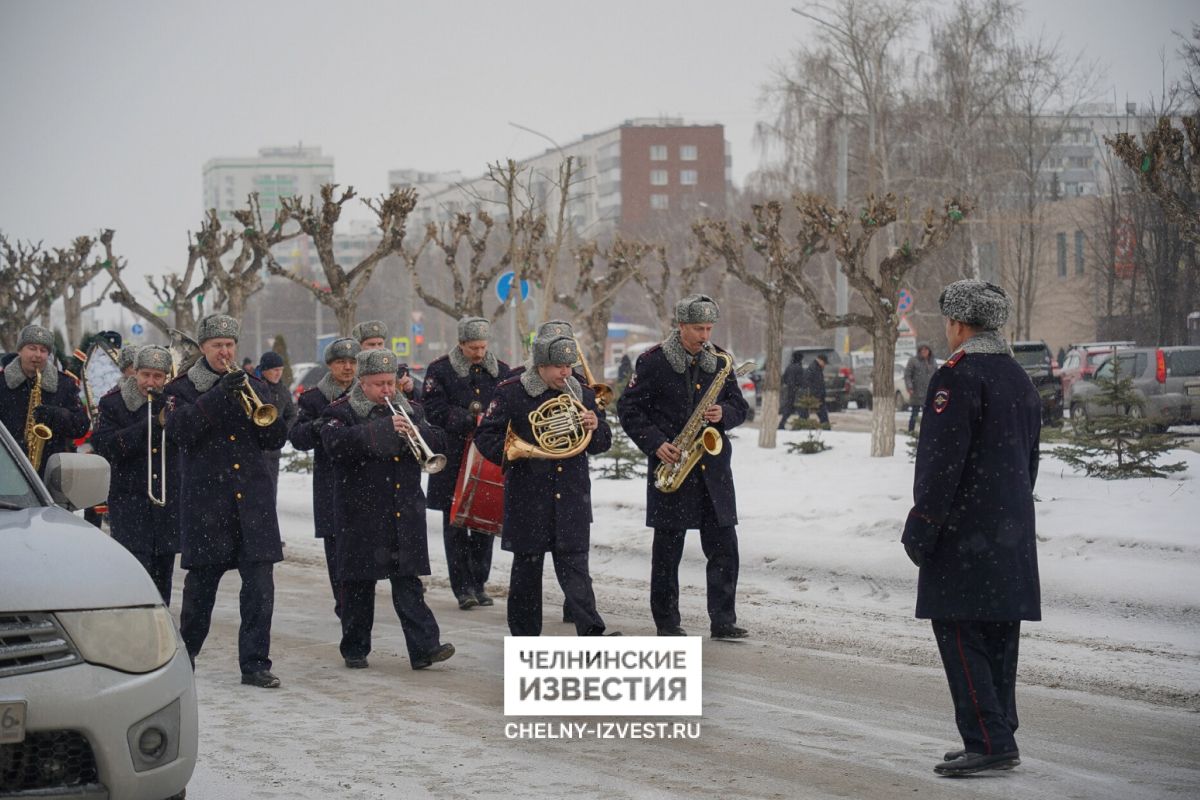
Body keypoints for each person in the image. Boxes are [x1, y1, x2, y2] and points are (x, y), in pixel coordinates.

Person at [901, 279, 1041, 776]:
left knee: (961, 632)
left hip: (963, 532)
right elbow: (1029, 462)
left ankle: (988, 740)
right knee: (1000, 632)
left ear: (959, 324)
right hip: (1010, 528)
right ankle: (998, 731)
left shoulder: (956, 377)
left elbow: (940, 464)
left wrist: (923, 525)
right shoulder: (1017, 377)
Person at [163, 313, 289, 689]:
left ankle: (255, 664)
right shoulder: (181, 388)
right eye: (217, 345)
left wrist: (271, 415)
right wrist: (219, 395)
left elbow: (273, 439)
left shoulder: (253, 384)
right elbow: (180, 432)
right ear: (203, 348)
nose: (225, 351)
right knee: (200, 591)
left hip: (252, 501)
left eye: (230, 345)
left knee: (259, 591)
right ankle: (187, 658)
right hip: (208, 503)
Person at [618, 294, 750, 639]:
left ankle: (723, 620)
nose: (704, 336)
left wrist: (725, 414)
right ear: (680, 326)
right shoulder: (653, 362)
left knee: (725, 549)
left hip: (712, 472)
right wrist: (656, 443)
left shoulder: (720, 361)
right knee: (667, 554)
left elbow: (739, 405)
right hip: (673, 468)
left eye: (708, 328)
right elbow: (629, 410)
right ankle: (667, 623)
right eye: (697, 329)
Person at [320, 349, 455, 670]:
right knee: (357, 587)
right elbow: (334, 444)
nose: (387, 390)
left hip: (403, 511)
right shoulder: (342, 411)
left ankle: (425, 647)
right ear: (362, 383)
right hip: (360, 513)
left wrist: (416, 433)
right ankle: (355, 648)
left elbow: (439, 440)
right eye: (379, 384)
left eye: (390, 383)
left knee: (408, 583)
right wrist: (381, 430)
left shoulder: (411, 409)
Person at [474, 335, 616, 637]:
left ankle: (592, 633)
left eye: (568, 366)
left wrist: (596, 426)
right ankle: (525, 638)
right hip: (529, 496)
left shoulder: (582, 393)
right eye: (558, 367)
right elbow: (485, 437)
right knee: (527, 572)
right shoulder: (511, 392)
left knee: (577, 570)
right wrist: (521, 452)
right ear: (540, 365)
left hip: (572, 495)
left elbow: (602, 442)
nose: (565, 373)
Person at [421, 316, 510, 610]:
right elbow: (433, 410)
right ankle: (462, 588)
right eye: (473, 347)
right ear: (461, 345)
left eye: (483, 347)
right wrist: (470, 419)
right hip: (454, 455)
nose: (479, 353)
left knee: (485, 521)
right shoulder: (440, 370)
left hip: (487, 456)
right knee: (455, 524)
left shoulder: (502, 372)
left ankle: (480, 583)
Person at [91, 346, 179, 604]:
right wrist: (151, 425)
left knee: (163, 580)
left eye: (158, 377)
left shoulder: (173, 402)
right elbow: (106, 445)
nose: (151, 383)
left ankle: (159, 634)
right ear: (135, 373)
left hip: (165, 504)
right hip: (129, 503)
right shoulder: (113, 402)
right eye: (146, 375)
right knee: (134, 576)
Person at [288, 336, 360, 618]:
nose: (347, 367)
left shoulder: (366, 393)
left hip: (363, 482)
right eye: (341, 362)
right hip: (331, 482)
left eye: (353, 362)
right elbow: (297, 437)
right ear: (330, 365)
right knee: (336, 549)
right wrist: (318, 427)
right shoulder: (313, 398)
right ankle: (343, 602)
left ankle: (358, 601)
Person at [0, 324, 90, 476]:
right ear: (20, 350)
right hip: (7, 471)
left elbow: (81, 427)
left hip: (52, 473)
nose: (38, 355)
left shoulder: (64, 384)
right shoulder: (2, 383)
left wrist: (58, 415)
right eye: (32, 348)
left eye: (43, 350)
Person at [255, 350, 298, 498]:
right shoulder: (254, 387)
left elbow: (292, 414)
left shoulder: (283, 390)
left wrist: (283, 432)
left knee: (270, 490)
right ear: (265, 370)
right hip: (254, 449)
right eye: (275, 370)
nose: (278, 373)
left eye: (281, 370)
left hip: (273, 452)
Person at [354, 319, 418, 400]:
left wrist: (410, 390)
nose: (377, 348)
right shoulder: (352, 371)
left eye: (380, 344)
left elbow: (416, 405)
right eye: (371, 344)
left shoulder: (398, 371)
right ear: (360, 346)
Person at [903, 343, 938, 433]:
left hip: (930, 393)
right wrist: (910, 387)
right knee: (915, 414)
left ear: (929, 351)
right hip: (917, 392)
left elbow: (937, 375)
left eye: (926, 350)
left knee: (929, 414)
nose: (924, 352)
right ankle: (911, 431)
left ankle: (928, 432)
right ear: (919, 351)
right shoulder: (913, 361)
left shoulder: (932, 361)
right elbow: (907, 375)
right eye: (922, 350)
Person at [777, 350, 805, 430]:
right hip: (796, 392)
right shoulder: (799, 368)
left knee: (788, 410)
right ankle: (798, 426)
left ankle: (782, 424)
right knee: (801, 411)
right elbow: (801, 380)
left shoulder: (789, 367)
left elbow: (784, 378)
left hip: (789, 391)